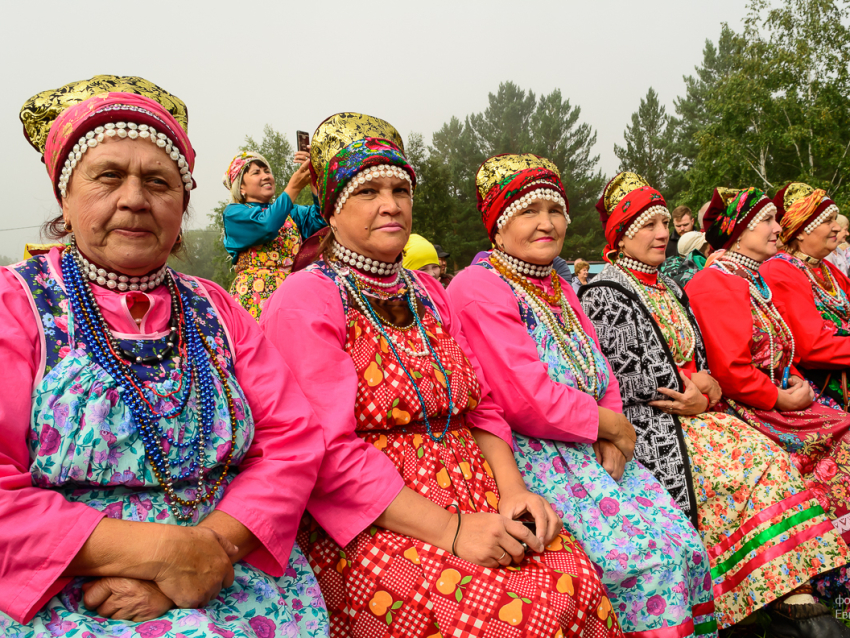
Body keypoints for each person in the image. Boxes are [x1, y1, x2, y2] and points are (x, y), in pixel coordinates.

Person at [261, 114, 620, 637]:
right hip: (376, 512)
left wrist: (513, 492)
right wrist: (451, 531)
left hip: (474, 486)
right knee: (506, 620)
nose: (391, 204)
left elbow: (482, 406)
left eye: (400, 188)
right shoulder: (305, 298)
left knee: (577, 581)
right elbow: (328, 451)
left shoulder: (428, 293)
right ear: (332, 212)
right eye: (368, 192)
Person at [2, 75, 328, 637]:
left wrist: (211, 550)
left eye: (159, 181)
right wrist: (159, 554)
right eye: (107, 176)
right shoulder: (17, 305)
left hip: (231, 565)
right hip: (75, 586)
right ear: (64, 194)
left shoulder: (217, 309)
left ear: (183, 204)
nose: (134, 198)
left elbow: (291, 439)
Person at [448, 155, 717, 638]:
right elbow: (524, 399)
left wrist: (614, 432)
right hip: (537, 452)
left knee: (681, 542)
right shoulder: (478, 286)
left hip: (593, 444)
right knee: (639, 561)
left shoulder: (557, 281)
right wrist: (612, 426)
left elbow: (601, 367)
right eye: (528, 211)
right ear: (498, 224)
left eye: (555, 209)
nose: (547, 223)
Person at [580, 172, 850, 632]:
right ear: (621, 234)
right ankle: (765, 593)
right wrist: (704, 387)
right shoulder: (606, 291)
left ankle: (787, 588)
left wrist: (705, 389)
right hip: (655, 427)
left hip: (701, 415)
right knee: (752, 463)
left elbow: (705, 371)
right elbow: (644, 383)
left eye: (664, 222)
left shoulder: (666, 285)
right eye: (647, 225)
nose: (663, 233)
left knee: (768, 458)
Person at [686, 186, 850, 555]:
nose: (779, 228)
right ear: (739, 231)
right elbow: (730, 371)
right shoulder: (717, 282)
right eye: (767, 220)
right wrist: (781, 397)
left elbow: (776, 347)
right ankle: (827, 563)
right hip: (748, 408)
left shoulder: (749, 278)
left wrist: (792, 376)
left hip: (773, 398)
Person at [762, 184, 850, 414]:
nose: (837, 227)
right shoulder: (780, 270)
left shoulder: (827, 268)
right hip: (819, 384)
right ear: (801, 230)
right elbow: (811, 346)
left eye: (835, 219)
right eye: (827, 220)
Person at [222, 149, 327, 320]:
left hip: (290, 297)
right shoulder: (234, 214)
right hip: (254, 299)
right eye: (256, 172)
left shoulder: (289, 212)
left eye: (267, 171)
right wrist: (293, 187)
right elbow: (266, 226)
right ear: (241, 187)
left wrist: (315, 180)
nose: (265, 176)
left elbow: (321, 221)